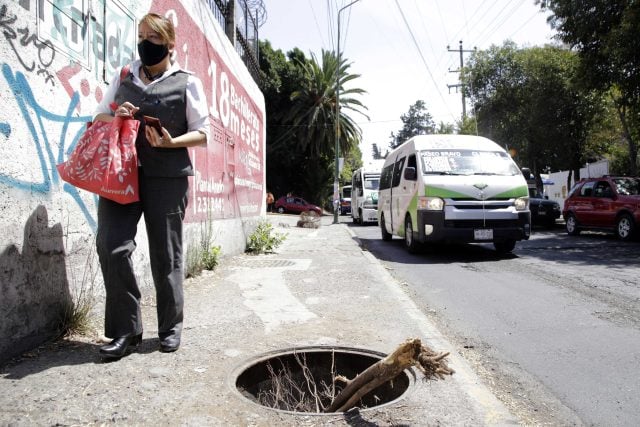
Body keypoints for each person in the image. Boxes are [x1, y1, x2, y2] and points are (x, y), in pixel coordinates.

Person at [92, 13, 209, 359]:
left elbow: (202, 133)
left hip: (167, 178)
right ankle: (126, 330)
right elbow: (99, 115)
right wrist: (118, 116)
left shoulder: (188, 82)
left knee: (166, 254)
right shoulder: (124, 75)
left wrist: (171, 142)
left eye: (153, 38)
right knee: (111, 245)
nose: (145, 43)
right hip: (121, 174)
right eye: (141, 36)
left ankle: (170, 327)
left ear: (170, 44)